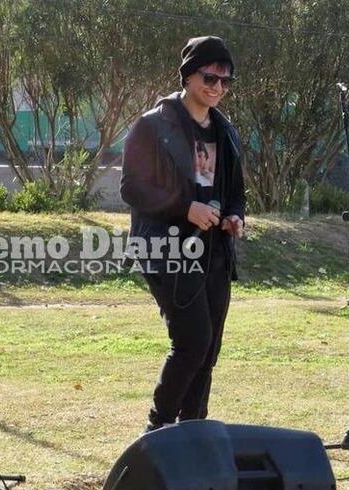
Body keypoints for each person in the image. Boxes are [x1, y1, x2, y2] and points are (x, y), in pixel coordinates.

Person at [120, 36, 246, 433]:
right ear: (189, 75)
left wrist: (235, 217)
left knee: (208, 348)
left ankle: (193, 430)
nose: (217, 88)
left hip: (214, 250)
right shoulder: (153, 125)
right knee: (192, 341)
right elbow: (131, 188)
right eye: (210, 77)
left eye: (225, 81)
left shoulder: (226, 131)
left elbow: (234, 193)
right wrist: (185, 206)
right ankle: (157, 431)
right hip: (167, 247)